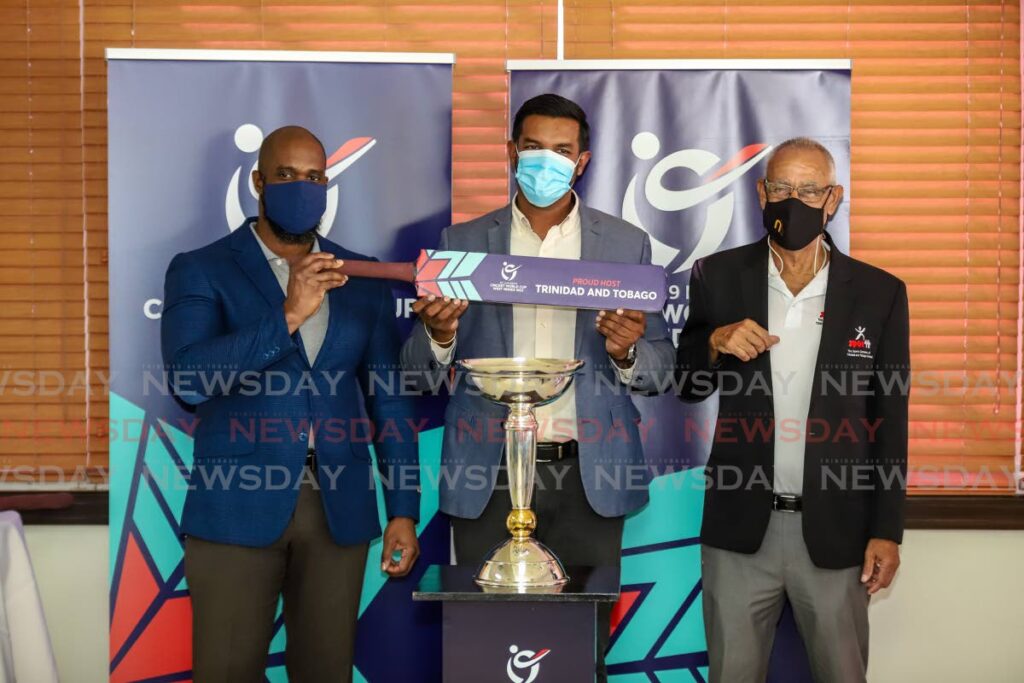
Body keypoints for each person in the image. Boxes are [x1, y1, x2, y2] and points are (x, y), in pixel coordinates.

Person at [400, 93, 675, 682]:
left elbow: (661, 370)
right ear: (510, 152)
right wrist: (438, 335)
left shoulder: (626, 245)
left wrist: (626, 351)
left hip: (590, 473)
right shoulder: (463, 241)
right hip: (487, 472)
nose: (545, 161)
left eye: (561, 150)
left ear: (583, 161)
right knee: (486, 647)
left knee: (579, 650)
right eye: (532, 148)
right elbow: (417, 375)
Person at [161, 126, 420, 683]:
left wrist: (402, 509)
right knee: (226, 671)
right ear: (258, 182)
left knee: (326, 672)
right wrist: (288, 315)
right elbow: (189, 379)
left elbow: (389, 403)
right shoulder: (202, 268)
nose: (302, 188)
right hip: (235, 508)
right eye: (286, 176)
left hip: (337, 510)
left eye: (315, 177)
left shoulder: (361, 276)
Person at [676, 137, 910, 682]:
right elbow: (686, 385)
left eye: (809, 190)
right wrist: (713, 342)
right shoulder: (718, 275)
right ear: (761, 192)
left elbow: (890, 418)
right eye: (781, 187)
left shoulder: (879, 293)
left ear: (834, 199)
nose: (793, 200)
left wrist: (887, 530)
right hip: (739, 530)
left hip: (838, 530)